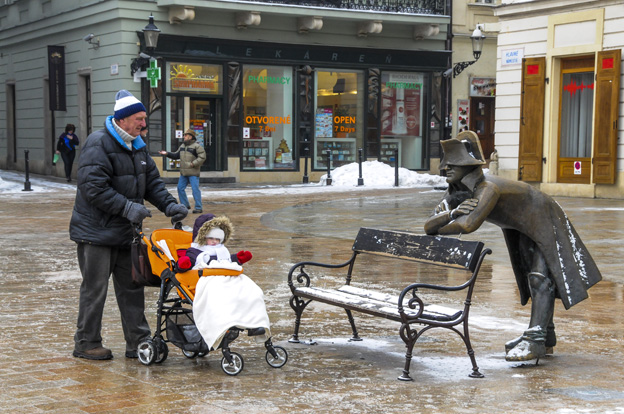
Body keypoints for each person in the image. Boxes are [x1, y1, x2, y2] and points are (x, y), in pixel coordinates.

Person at [424, 130, 602, 362]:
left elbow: (468, 225)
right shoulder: (457, 192)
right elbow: (429, 225)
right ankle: (545, 335)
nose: (445, 167)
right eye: (446, 163)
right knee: (534, 276)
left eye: (453, 164)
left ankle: (536, 341)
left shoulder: (487, 188)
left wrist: (447, 221)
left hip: (542, 216)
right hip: (520, 225)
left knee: (539, 277)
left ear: (468, 166)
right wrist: (451, 213)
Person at [70, 89, 189, 360]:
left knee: (132, 288)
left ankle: (138, 342)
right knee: (94, 290)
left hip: (126, 233)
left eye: (144, 118)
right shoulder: (98, 143)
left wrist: (169, 205)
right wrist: (126, 207)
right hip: (96, 233)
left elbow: (153, 184)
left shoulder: (138, 146)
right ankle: (86, 343)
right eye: (138, 118)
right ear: (122, 119)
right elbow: (93, 188)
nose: (143, 124)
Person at [184, 214, 268, 351]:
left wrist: (238, 258)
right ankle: (225, 324)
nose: (214, 242)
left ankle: (255, 323)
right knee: (224, 295)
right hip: (209, 279)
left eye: (218, 239)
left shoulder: (222, 250)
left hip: (229, 275)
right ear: (203, 237)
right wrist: (183, 264)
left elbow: (228, 261)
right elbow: (187, 262)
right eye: (211, 238)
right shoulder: (195, 251)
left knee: (252, 291)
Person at [159, 129, 206, 214]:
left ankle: (198, 207)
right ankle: (185, 205)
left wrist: (193, 164)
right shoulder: (182, 146)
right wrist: (166, 153)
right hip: (184, 173)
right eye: (184, 135)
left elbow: (202, 157)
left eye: (186, 135)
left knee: (195, 190)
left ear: (190, 137)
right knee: (180, 188)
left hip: (193, 173)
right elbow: (176, 155)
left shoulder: (197, 146)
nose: (184, 137)